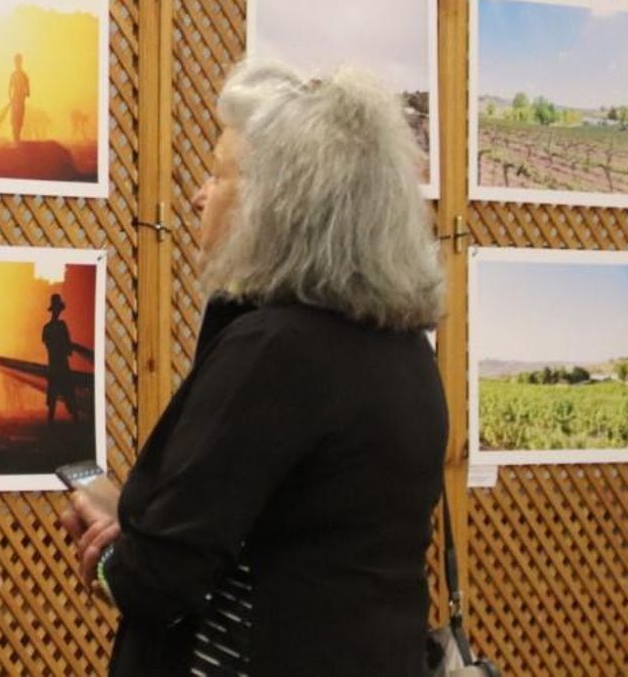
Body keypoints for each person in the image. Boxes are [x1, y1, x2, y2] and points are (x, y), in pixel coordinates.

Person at [62, 61, 447, 676]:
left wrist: (110, 554)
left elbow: (158, 581)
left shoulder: (276, 351)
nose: (197, 195)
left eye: (219, 176)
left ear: (279, 205)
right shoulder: (406, 351)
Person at [41, 293, 91, 425]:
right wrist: (67, 348)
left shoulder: (47, 328)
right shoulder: (61, 326)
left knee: (53, 400)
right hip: (62, 367)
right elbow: (68, 349)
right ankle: (75, 422)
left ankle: (51, 425)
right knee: (69, 397)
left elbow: (48, 346)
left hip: (53, 367)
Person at [9, 53, 31, 142]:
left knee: (20, 117)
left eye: (18, 62)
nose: (17, 64)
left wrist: (27, 93)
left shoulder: (23, 75)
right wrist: (10, 97)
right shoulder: (14, 74)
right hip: (16, 99)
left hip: (20, 99)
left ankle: (17, 135)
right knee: (15, 117)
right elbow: (10, 87)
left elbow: (27, 87)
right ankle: (15, 136)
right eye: (16, 62)